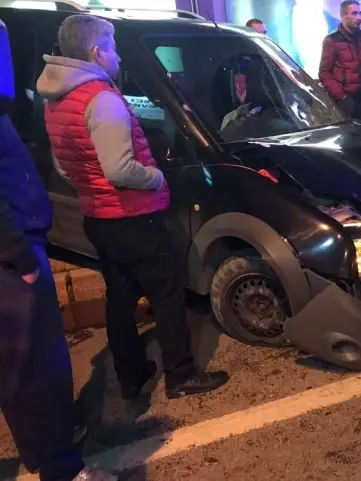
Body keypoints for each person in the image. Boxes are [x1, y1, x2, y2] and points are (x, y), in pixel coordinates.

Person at [36, 15, 229, 401]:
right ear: (97, 52)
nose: (119, 58)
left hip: (99, 216)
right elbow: (120, 168)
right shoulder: (102, 100)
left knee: (120, 296)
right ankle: (181, 375)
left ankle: (131, 376)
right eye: (114, 48)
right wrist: (157, 178)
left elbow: (64, 165)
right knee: (168, 291)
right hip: (132, 216)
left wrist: (92, 189)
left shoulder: (57, 99)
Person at [0, 19, 116, 481]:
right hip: (12, 254)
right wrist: (19, 254)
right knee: (36, 370)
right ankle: (61, 469)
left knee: (21, 369)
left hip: (15, 245)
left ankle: (44, 446)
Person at [319, 0, 361, 120]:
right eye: (354, 13)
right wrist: (342, 97)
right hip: (345, 100)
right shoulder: (331, 40)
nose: (358, 17)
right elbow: (324, 73)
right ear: (343, 15)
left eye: (359, 13)